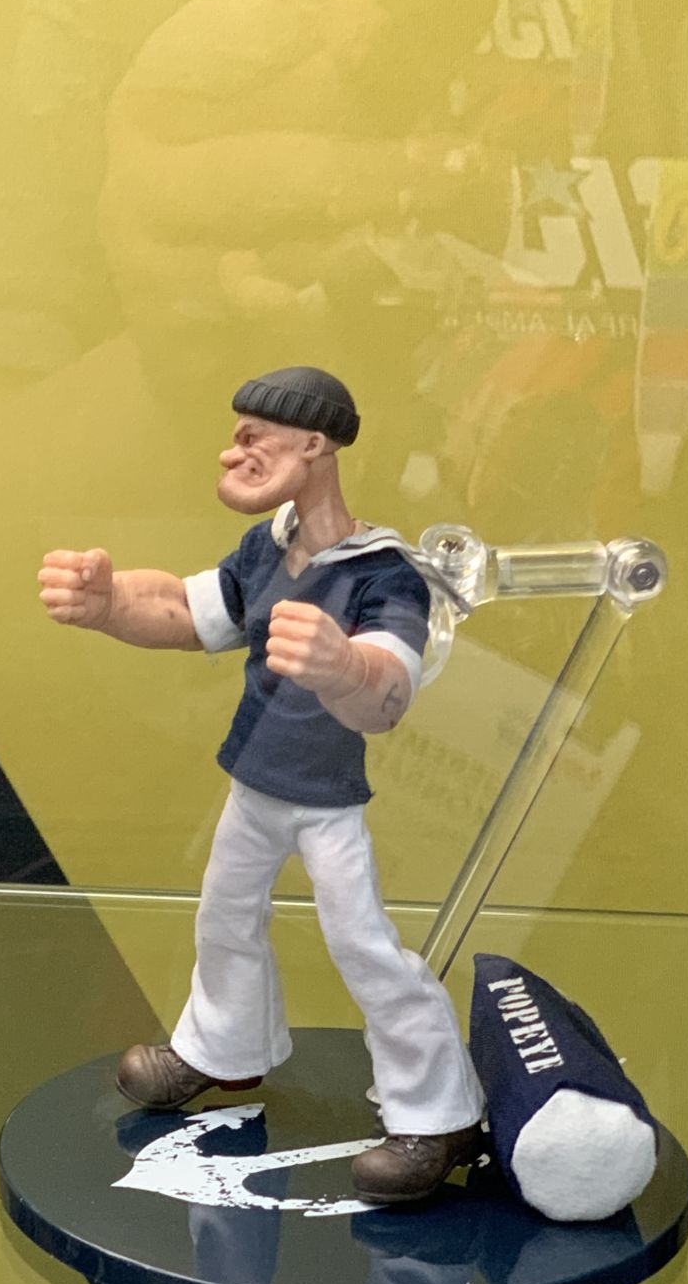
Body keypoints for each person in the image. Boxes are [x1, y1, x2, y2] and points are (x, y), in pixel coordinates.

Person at [37, 365, 485, 1203]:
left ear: (313, 445)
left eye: (253, 438)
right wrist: (109, 604)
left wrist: (343, 665)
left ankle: (438, 1111)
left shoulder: (384, 573)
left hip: (327, 802)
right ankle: (222, 1050)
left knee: (360, 943)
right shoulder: (267, 547)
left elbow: (389, 696)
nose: (232, 452)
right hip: (254, 783)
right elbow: (186, 610)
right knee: (224, 917)